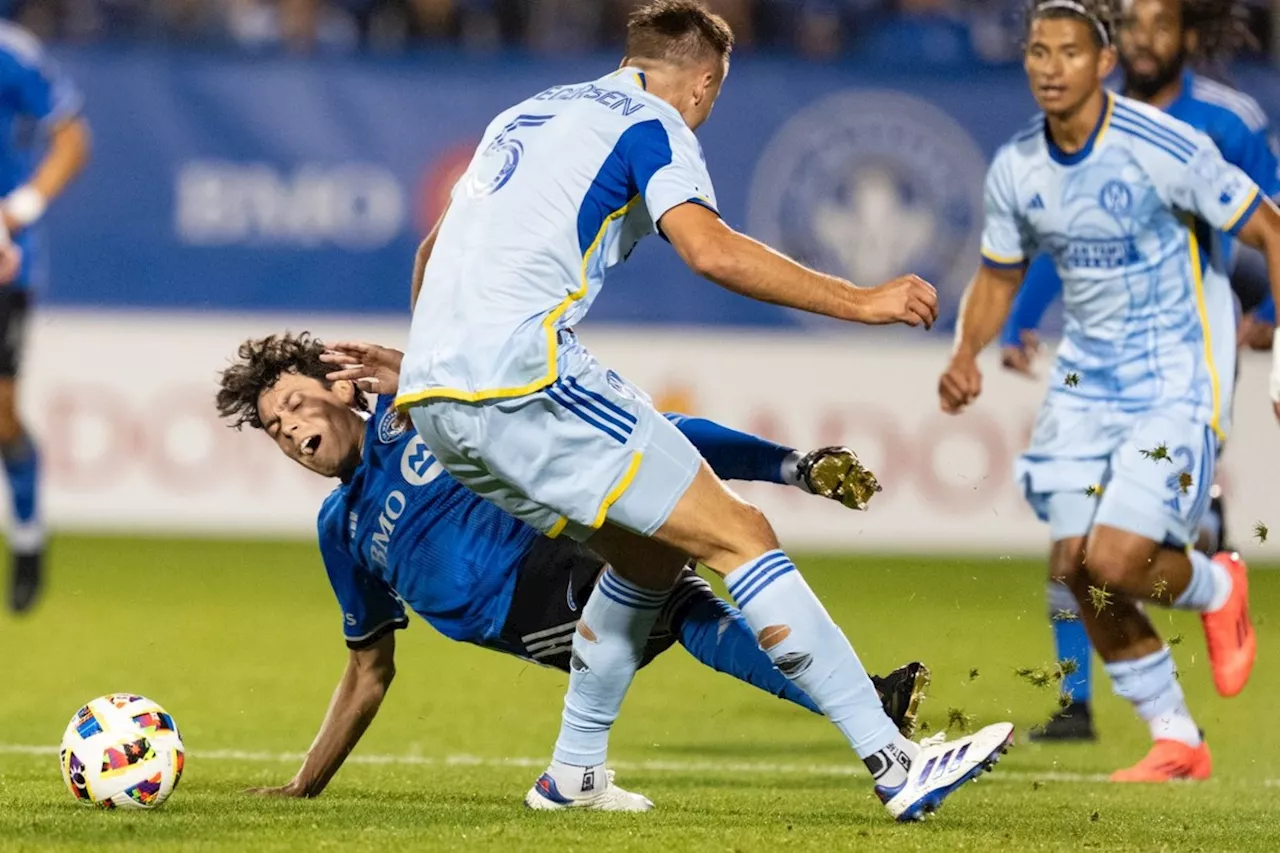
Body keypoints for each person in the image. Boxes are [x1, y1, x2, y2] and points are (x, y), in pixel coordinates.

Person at [388, 0, 1012, 822]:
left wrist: (431, 363)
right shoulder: (654, 123)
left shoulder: (529, 111)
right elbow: (711, 250)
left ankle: (572, 774)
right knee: (741, 533)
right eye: (714, 97)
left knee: (649, 556)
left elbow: (434, 249)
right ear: (705, 81)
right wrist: (862, 299)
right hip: (522, 376)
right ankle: (897, 763)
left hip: (436, 395)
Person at [214, 332, 932, 798]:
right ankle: (867, 709)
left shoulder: (419, 410)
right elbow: (370, 669)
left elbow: (489, 382)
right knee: (675, 593)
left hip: (560, 534)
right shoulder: (341, 529)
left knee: (646, 453)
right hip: (529, 609)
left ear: (344, 389)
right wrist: (304, 782)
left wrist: (414, 372)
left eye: (294, 405)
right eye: (275, 428)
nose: (289, 430)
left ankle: (796, 466)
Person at [939, 0, 1280, 782]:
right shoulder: (1017, 164)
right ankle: (1177, 739)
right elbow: (1001, 271)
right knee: (1074, 566)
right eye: (1036, 50)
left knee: (1118, 561)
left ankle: (1218, 581)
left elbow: (1272, 229)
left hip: (1176, 374)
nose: (1049, 66)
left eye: (1067, 51)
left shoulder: (1170, 143)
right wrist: (967, 352)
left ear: (1101, 64)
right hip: (1086, 381)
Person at [0, 21, 91, 614]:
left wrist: (19, 209)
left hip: (4, 262)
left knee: (0, 416)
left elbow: (71, 138)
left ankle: (28, 540)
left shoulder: (11, 53)